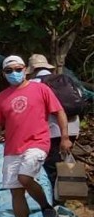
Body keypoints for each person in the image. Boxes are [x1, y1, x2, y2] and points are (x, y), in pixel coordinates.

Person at [0, 54, 69, 217]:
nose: (14, 73)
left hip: (37, 142)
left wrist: (65, 137)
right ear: (3, 74)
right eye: (9, 71)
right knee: (16, 192)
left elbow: (59, 111)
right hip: (12, 148)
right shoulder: (2, 97)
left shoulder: (40, 89)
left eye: (18, 69)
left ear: (25, 69)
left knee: (24, 178)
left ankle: (46, 207)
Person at [27, 54, 82, 188]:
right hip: (72, 128)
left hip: (51, 131)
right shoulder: (67, 80)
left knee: (50, 167)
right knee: (62, 162)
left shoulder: (33, 85)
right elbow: (79, 99)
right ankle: (67, 192)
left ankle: (55, 200)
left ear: (32, 70)